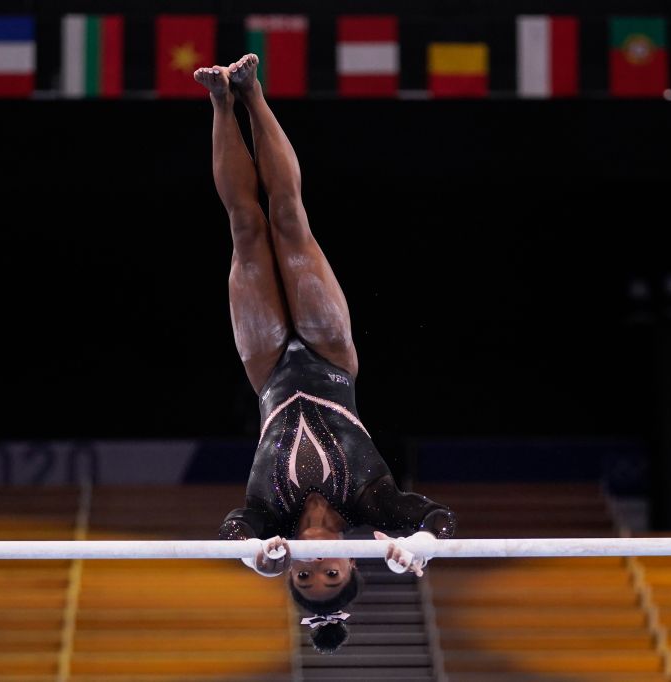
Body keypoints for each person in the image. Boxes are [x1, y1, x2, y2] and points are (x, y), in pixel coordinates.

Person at [195, 54, 457, 654]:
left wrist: (256, 557)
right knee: (287, 220)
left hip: (265, 368)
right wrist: (418, 545)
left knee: (244, 227)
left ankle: (219, 103)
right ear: (355, 565)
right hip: (330, 356)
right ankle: (253, 94)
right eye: (330, 575)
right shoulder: (370, 501)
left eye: (302, 577)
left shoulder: (269, 517)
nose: (314, 564)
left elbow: (236, 529)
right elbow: (437, 518)